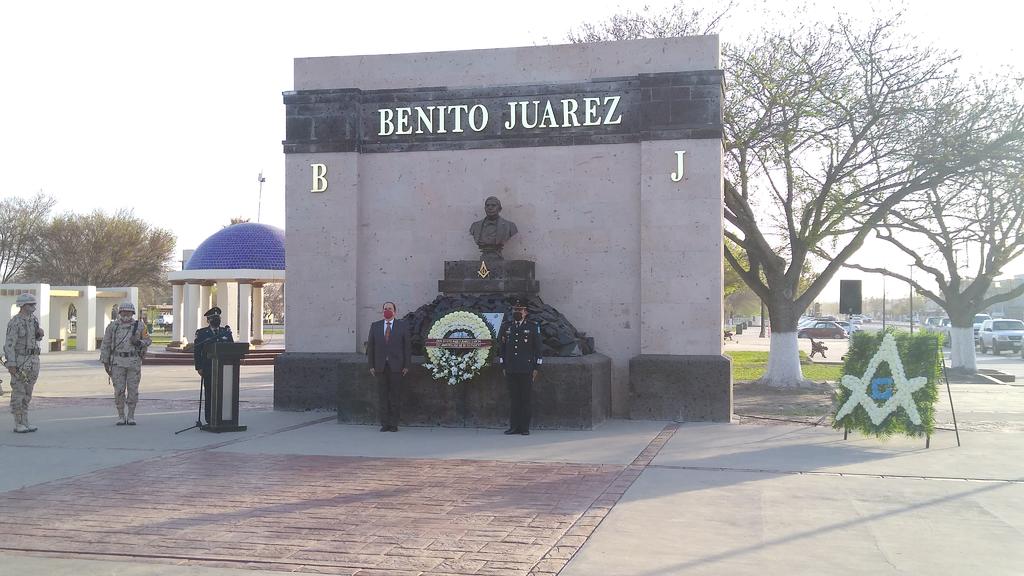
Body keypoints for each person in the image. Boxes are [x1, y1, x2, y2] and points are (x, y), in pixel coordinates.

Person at [99, 302, 152, 425]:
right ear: (120, 313)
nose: (126, 314)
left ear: (132, 313)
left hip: (133, 362)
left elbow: (148, 340)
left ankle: (131, 415)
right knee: (119, 390)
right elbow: (106, 344)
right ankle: (121, 416)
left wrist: (139, 342)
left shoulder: (140, 326)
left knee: (133, 390)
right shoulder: (113, 326)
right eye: (123, 312)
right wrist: (105, 362)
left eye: (128, 312)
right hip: (117, 362)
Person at [498, 296, 542, 435]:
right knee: (514, 399)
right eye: (515, 309)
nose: (517, 311)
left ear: (526, 312)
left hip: (526, 369)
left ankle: (524, 427)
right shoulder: (507, 326)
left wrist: (536, 368)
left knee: (525, 399)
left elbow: (538, 349)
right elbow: (502, 349)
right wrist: (503, 366)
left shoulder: (532, 327)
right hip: (511, 368)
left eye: (520, 309)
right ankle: (513, 427)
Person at [366, 302, 411, 432]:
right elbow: (371, 347)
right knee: (383, 396)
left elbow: (407, 347)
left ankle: (394, 424)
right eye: (385, 309)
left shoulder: (402, 326)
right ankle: (384, 423)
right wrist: (371, 365)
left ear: (395, 312)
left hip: (397, 367)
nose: (387, 310)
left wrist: (407, 365)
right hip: (380, 367)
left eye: (390, 309)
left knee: (395, 396)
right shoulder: (375, 326)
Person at [5, 293, 44, 433]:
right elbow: (9, 345)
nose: (33, 307)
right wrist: (11, 364)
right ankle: (18, 422)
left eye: (34, 304)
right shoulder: (15, 322)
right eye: (30, 304)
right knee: (19, 391)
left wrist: (40, 333)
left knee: (28, 392)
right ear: (22, 305)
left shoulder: (33, 320)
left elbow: (36, 339)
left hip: (33, 360)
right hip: (20, 361)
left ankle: (25, 420)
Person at [192, 306, 234, 424]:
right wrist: (199, 367)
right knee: (210, 393)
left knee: (224, 393)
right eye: (213, 318)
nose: (216, 320)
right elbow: (197, 351)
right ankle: (210, 418)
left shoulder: (225, 332)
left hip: (225, 369)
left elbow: (232, 348)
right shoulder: (202, 333)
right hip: (209, 368)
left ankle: (224, 417)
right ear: (208, 320)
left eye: (218, 317)